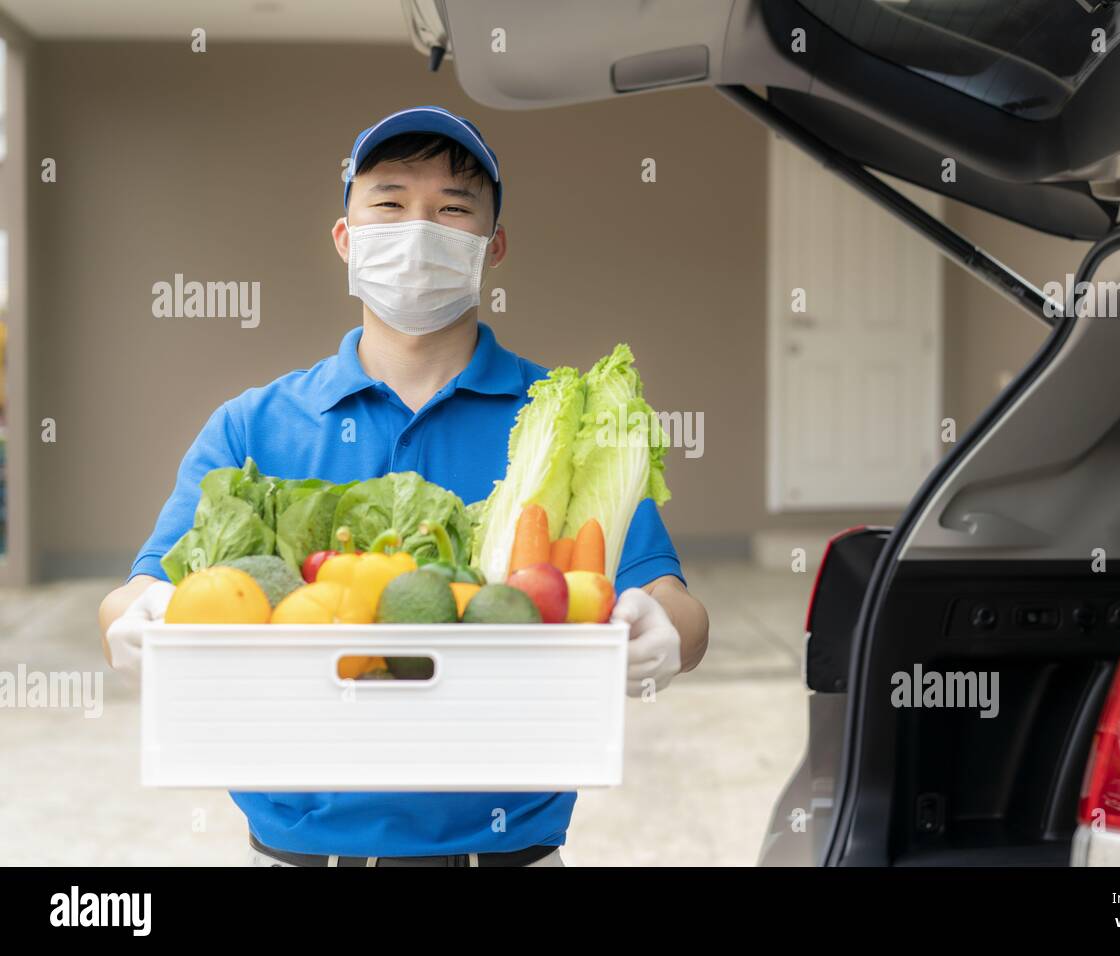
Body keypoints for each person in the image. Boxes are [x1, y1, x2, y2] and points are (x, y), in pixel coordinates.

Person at [97, 106, 709, 867]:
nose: (419, 229)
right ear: (347, 240)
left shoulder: (566, 421)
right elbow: (134, 596)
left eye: (453, 209)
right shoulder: (253, 427)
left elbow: (676, 603)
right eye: (389, 203)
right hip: (294, 855)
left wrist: (663, 635)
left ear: (495, 245)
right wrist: (141, 619)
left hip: (510, 851)